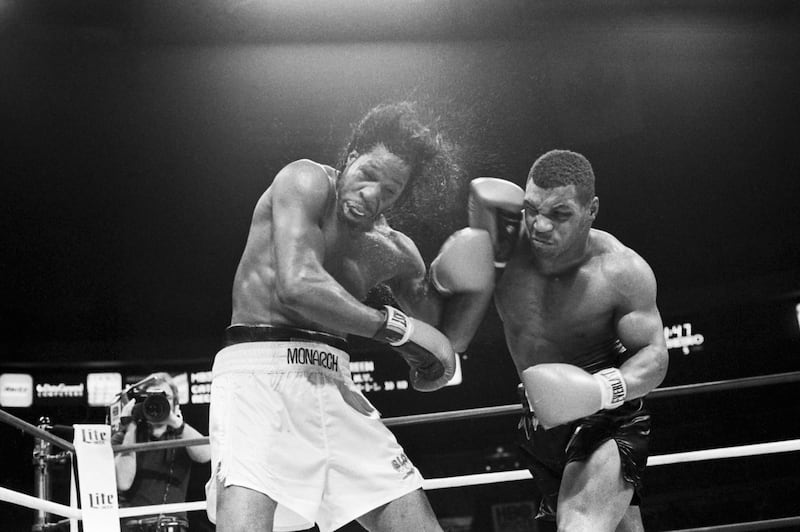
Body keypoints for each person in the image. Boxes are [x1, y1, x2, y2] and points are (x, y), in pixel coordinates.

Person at [207, 101, 495, 532]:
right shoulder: (304, 180)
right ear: (351, 156)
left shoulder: (395, 250)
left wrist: (482, 277)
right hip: (260, 376)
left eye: (390, 191)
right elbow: (299, 284)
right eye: (368, 175)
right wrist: (394, 327)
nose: (371, 195)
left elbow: (445, 345)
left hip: (337, 383)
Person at [471, 150, 668, 532]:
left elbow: (654, 355)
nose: (541, 225)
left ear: (591, 209)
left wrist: (600, 389)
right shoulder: (504, 250)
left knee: (580, 526)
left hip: (608, 417)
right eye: (531, 209)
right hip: (538, 422)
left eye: (560, 214)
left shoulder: (620, 270)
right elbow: (452, 326)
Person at [113, 372, 212, 532]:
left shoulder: (183, 434)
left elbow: (206, 455)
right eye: (151, 398)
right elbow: (123, 482)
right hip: (132, 526)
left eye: (165, 397)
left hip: (173, 525)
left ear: (175, 403)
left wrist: (175, 421)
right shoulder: (124, 437)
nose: (157, 403)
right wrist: (130, 425)